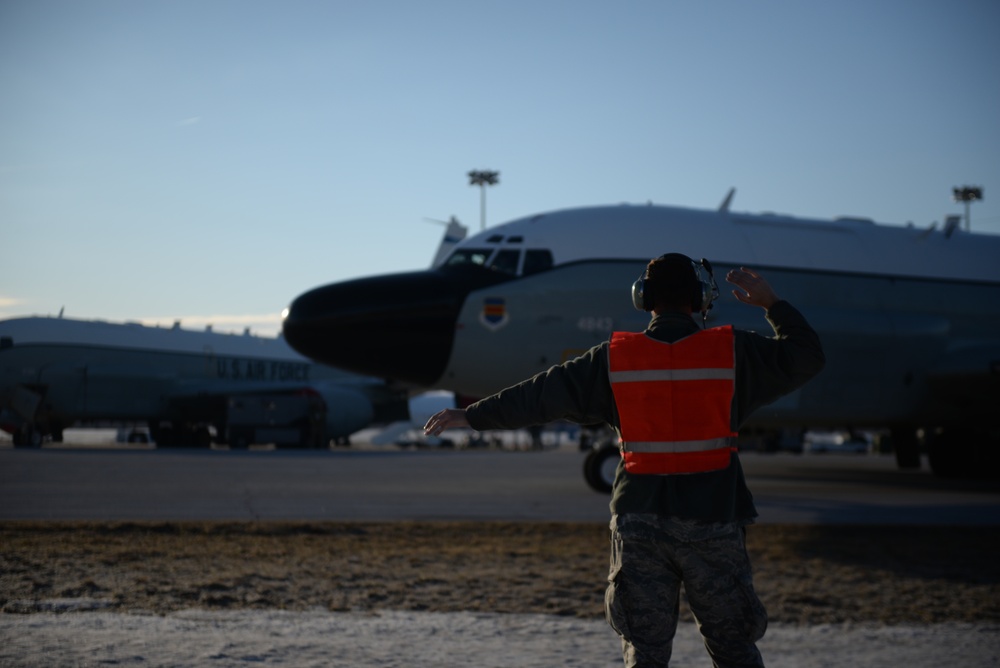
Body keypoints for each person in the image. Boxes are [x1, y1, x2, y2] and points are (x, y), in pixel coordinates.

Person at [424, 254, 825, 667]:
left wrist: (472, 416)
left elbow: (541, 394)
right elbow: (807, 355)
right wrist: (772, 304)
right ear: (701, 299)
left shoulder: (613, 358)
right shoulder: (732, 351)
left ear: (643, 298)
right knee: (733, 648)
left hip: (639, 524)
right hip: (714, 522)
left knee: (645, 652)